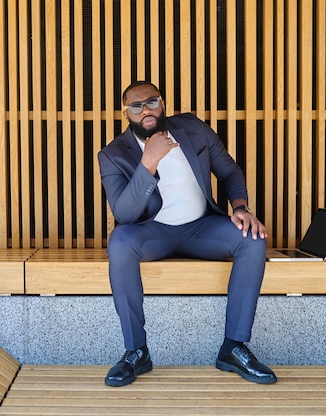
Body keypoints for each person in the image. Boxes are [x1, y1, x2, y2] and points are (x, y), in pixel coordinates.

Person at [98, 80, 277, 387]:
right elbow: (125, 215)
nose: (146, 111)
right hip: (151, 233)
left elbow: (229, 170)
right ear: (125, 113)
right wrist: (149, 161)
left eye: (151, 102)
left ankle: (233, 347)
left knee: (252, 239)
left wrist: (241, 207)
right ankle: (136, 351)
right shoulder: (113, 155)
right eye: (136, 107)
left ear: (162, 103)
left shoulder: (192, 128)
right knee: (120, 243)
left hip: (201, 227)